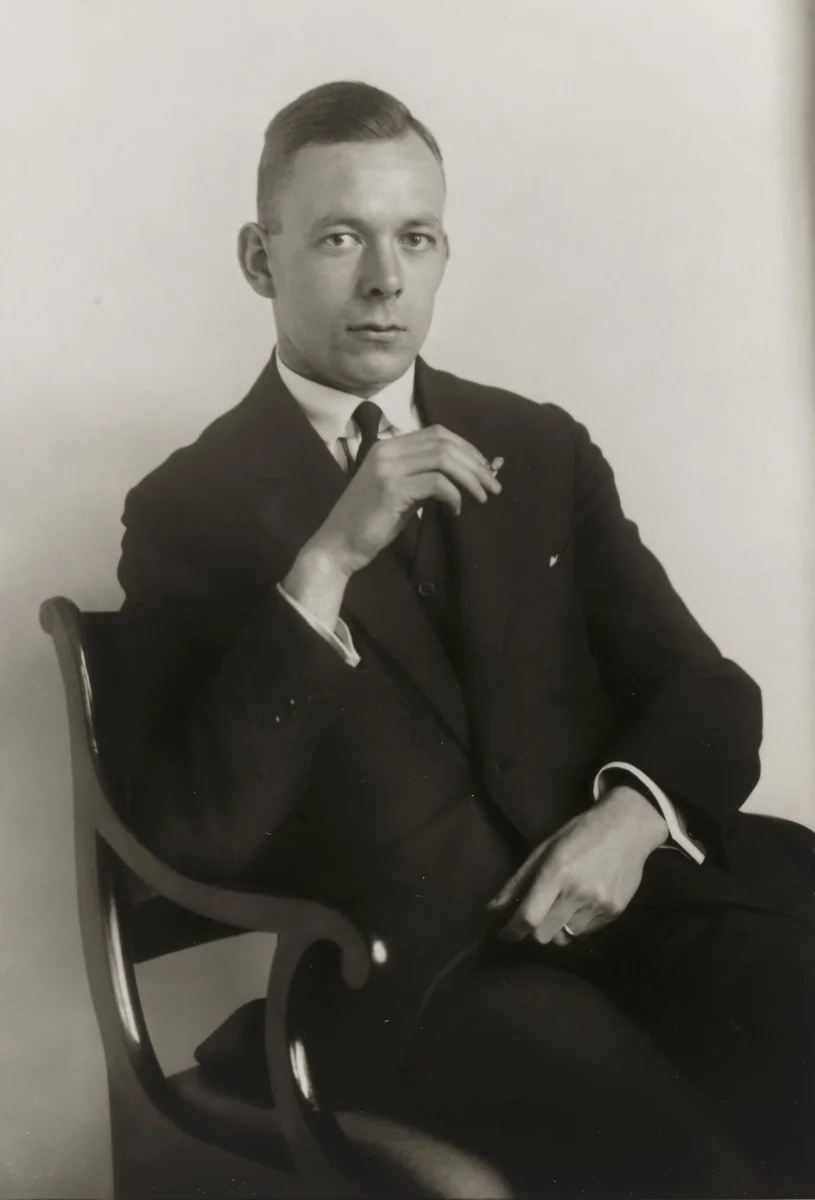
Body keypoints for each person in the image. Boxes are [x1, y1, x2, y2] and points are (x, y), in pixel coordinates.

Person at [116, 81, 815, 1197]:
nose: (386, 281)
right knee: (688, 1170)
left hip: (632, 908)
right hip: (421, 983)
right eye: (341, 237)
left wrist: (629, 822)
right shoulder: (184, 509)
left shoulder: (534, 446)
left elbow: (705, 688)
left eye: (416, 238)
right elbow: (192, 832)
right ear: (260, 257)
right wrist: (324, 564)